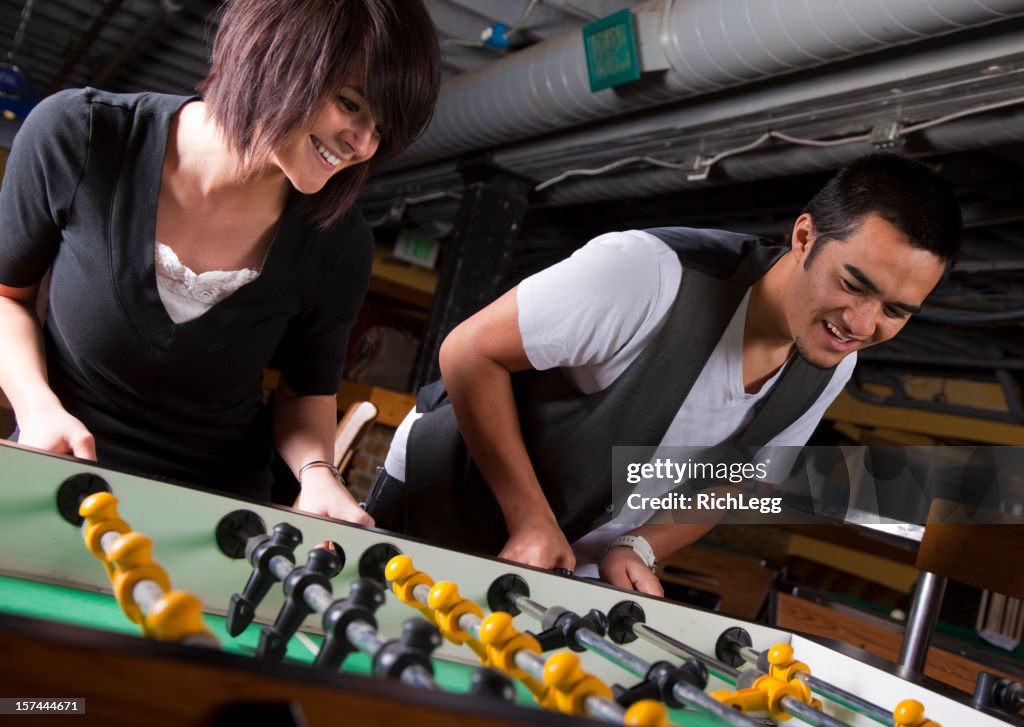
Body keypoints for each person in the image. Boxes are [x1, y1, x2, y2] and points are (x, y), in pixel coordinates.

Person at [367, 153, 962, 594]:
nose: (861, 323)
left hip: (567, 561)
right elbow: (469, 351)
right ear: (804, 237)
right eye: (854, 285)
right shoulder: (647, 274)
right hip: (440, 500)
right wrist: (530, 516)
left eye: (895, 311)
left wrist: (640, 544)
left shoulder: (834, 360)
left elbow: (745, 478)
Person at [0, 0, 441, 525]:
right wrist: (35, 407)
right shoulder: (79, 135)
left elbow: (305, 394)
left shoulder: (338, 243)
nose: (364, 143)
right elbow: (8, 297)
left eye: (383, 131)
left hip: (220, 513)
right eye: (350, 103)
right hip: (59, 470)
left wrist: (318, 473)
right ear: (274, 57)